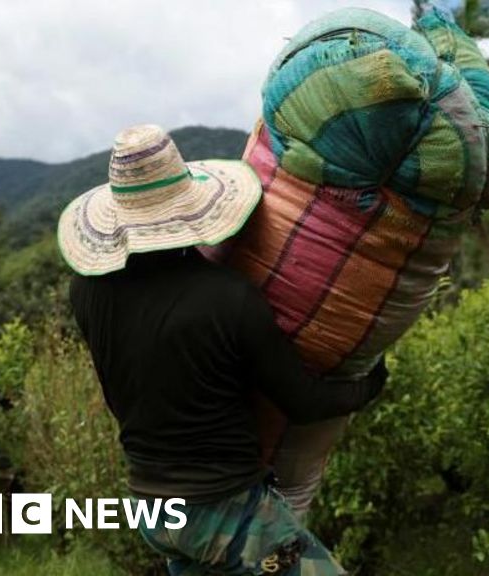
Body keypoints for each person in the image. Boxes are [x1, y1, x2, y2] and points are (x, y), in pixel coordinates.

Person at [57, 124, 386, 575]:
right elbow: (304, 403)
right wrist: (370, 384)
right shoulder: (229, 298)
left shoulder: (86, 292)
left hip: (152, 509)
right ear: (191, 208)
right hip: (223, 512)